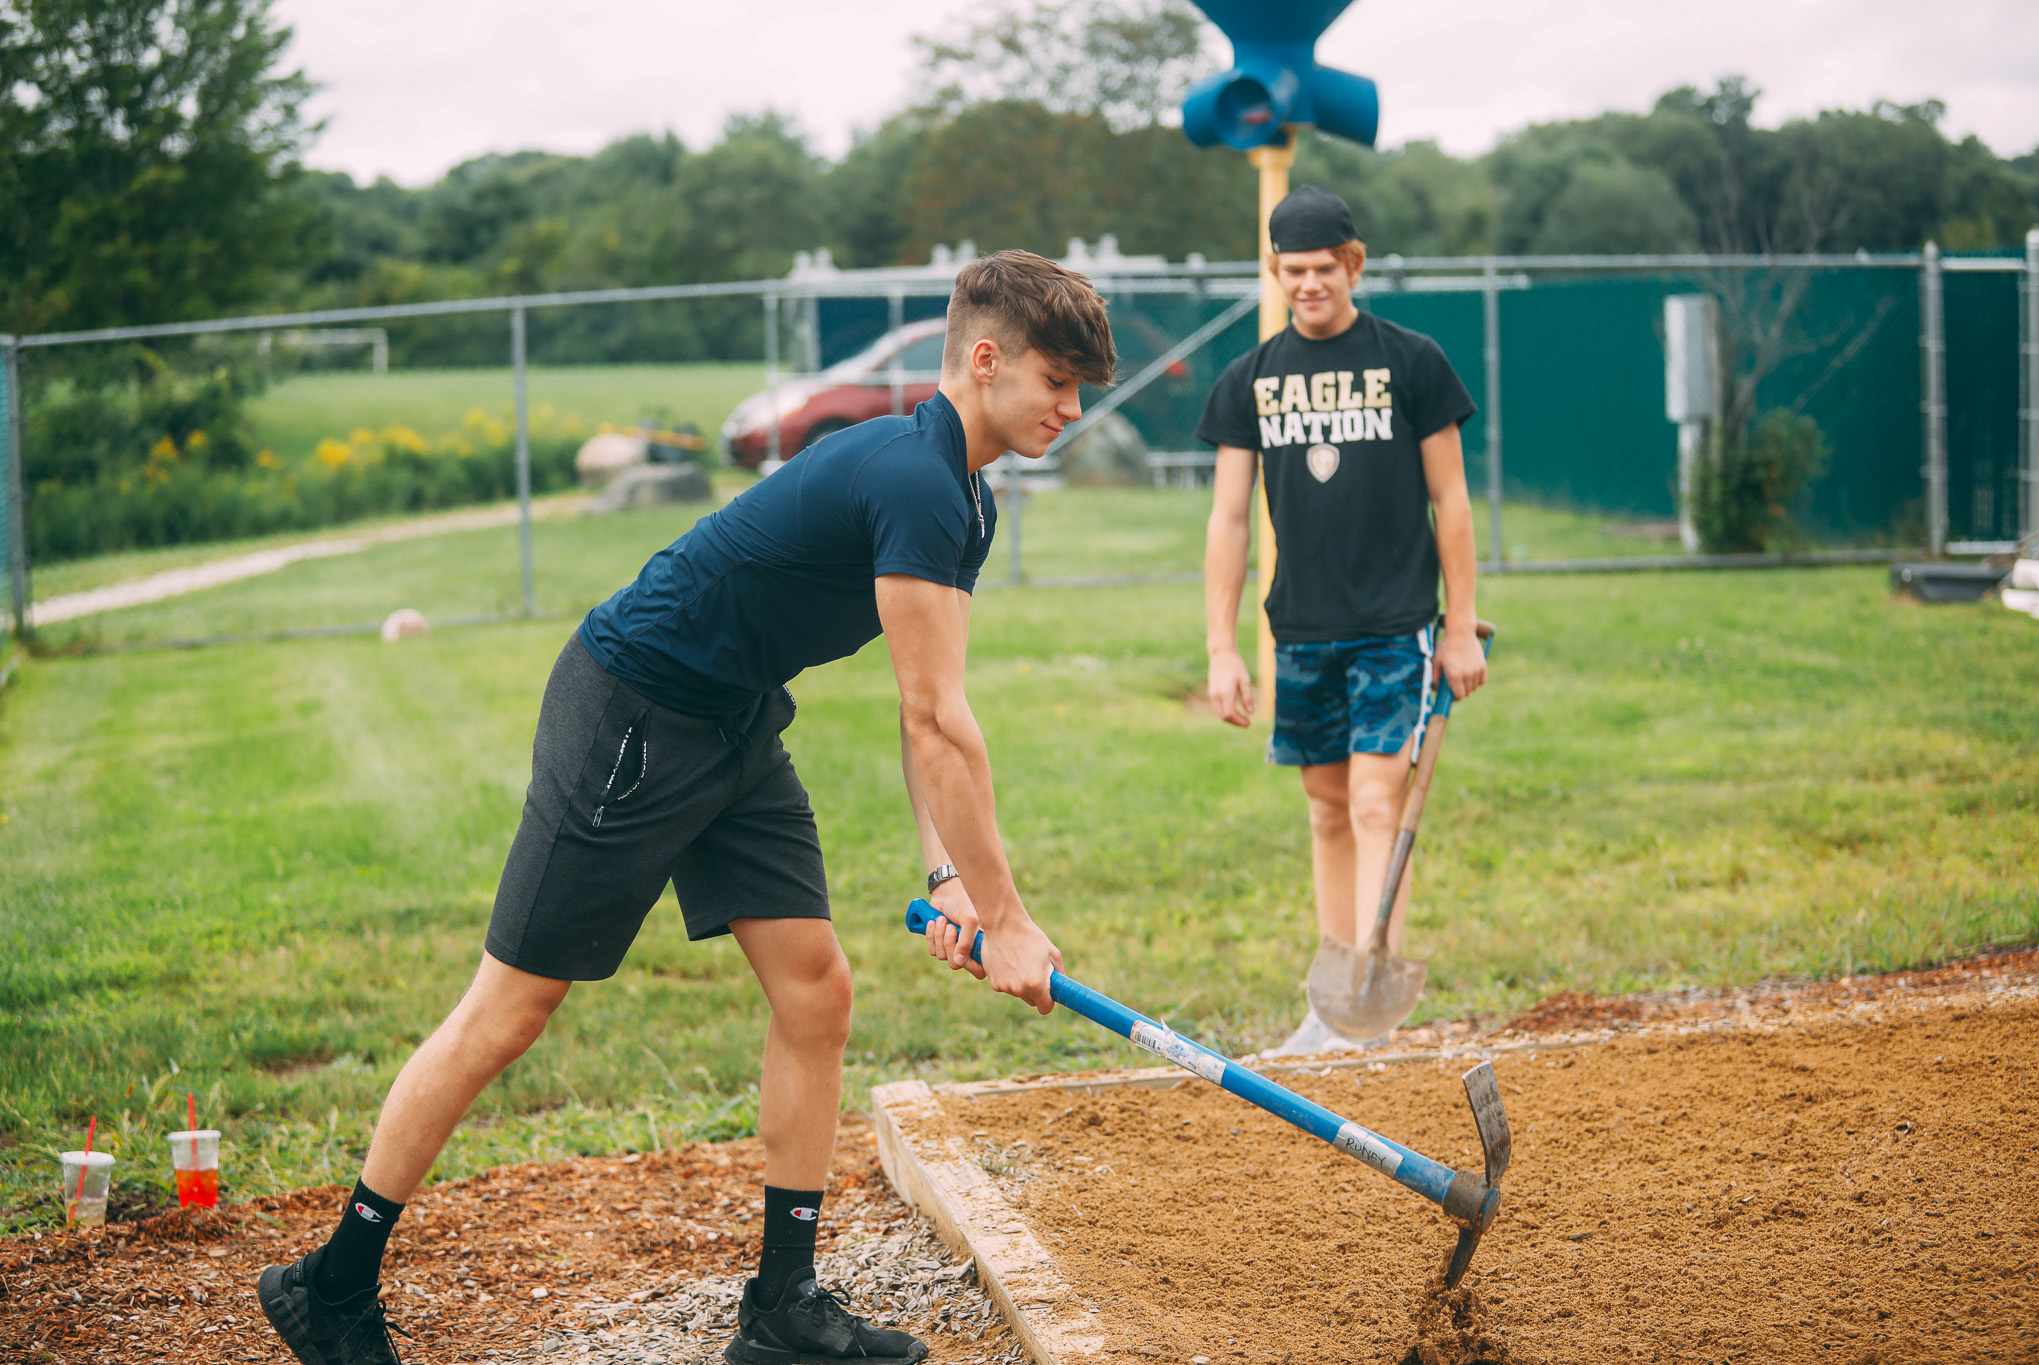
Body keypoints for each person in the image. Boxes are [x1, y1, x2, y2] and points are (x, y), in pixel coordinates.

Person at [257, 250, 1116, 1365]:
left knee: (814, 987)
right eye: (1057, 379)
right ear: (986, 358)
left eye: (1081, 387)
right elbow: (933, 721)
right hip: (633, 708)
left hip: (733, 719)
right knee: (510, 1011)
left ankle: (780, 1309)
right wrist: (1005, 918)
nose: (1072, 408)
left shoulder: (964, 497)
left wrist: (951, 877)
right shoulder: (910, 477)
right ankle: (330, 1284)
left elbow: (932, 710)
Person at [1196, 185, 1487, 1057]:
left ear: (1352, 265)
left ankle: (1370, 1006)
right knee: (1325, 811)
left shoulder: (1412, 361)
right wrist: (1221, 647)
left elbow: (1453, 498)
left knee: (1371, 799)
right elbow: (1230, 520)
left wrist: (1462, 625)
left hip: (1396, 623)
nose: (1309, 284)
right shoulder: (1249, 380)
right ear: (1276, 273)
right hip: (1303, 629)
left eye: (1325, 268)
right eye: (1294, 271)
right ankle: (1331, 1009)